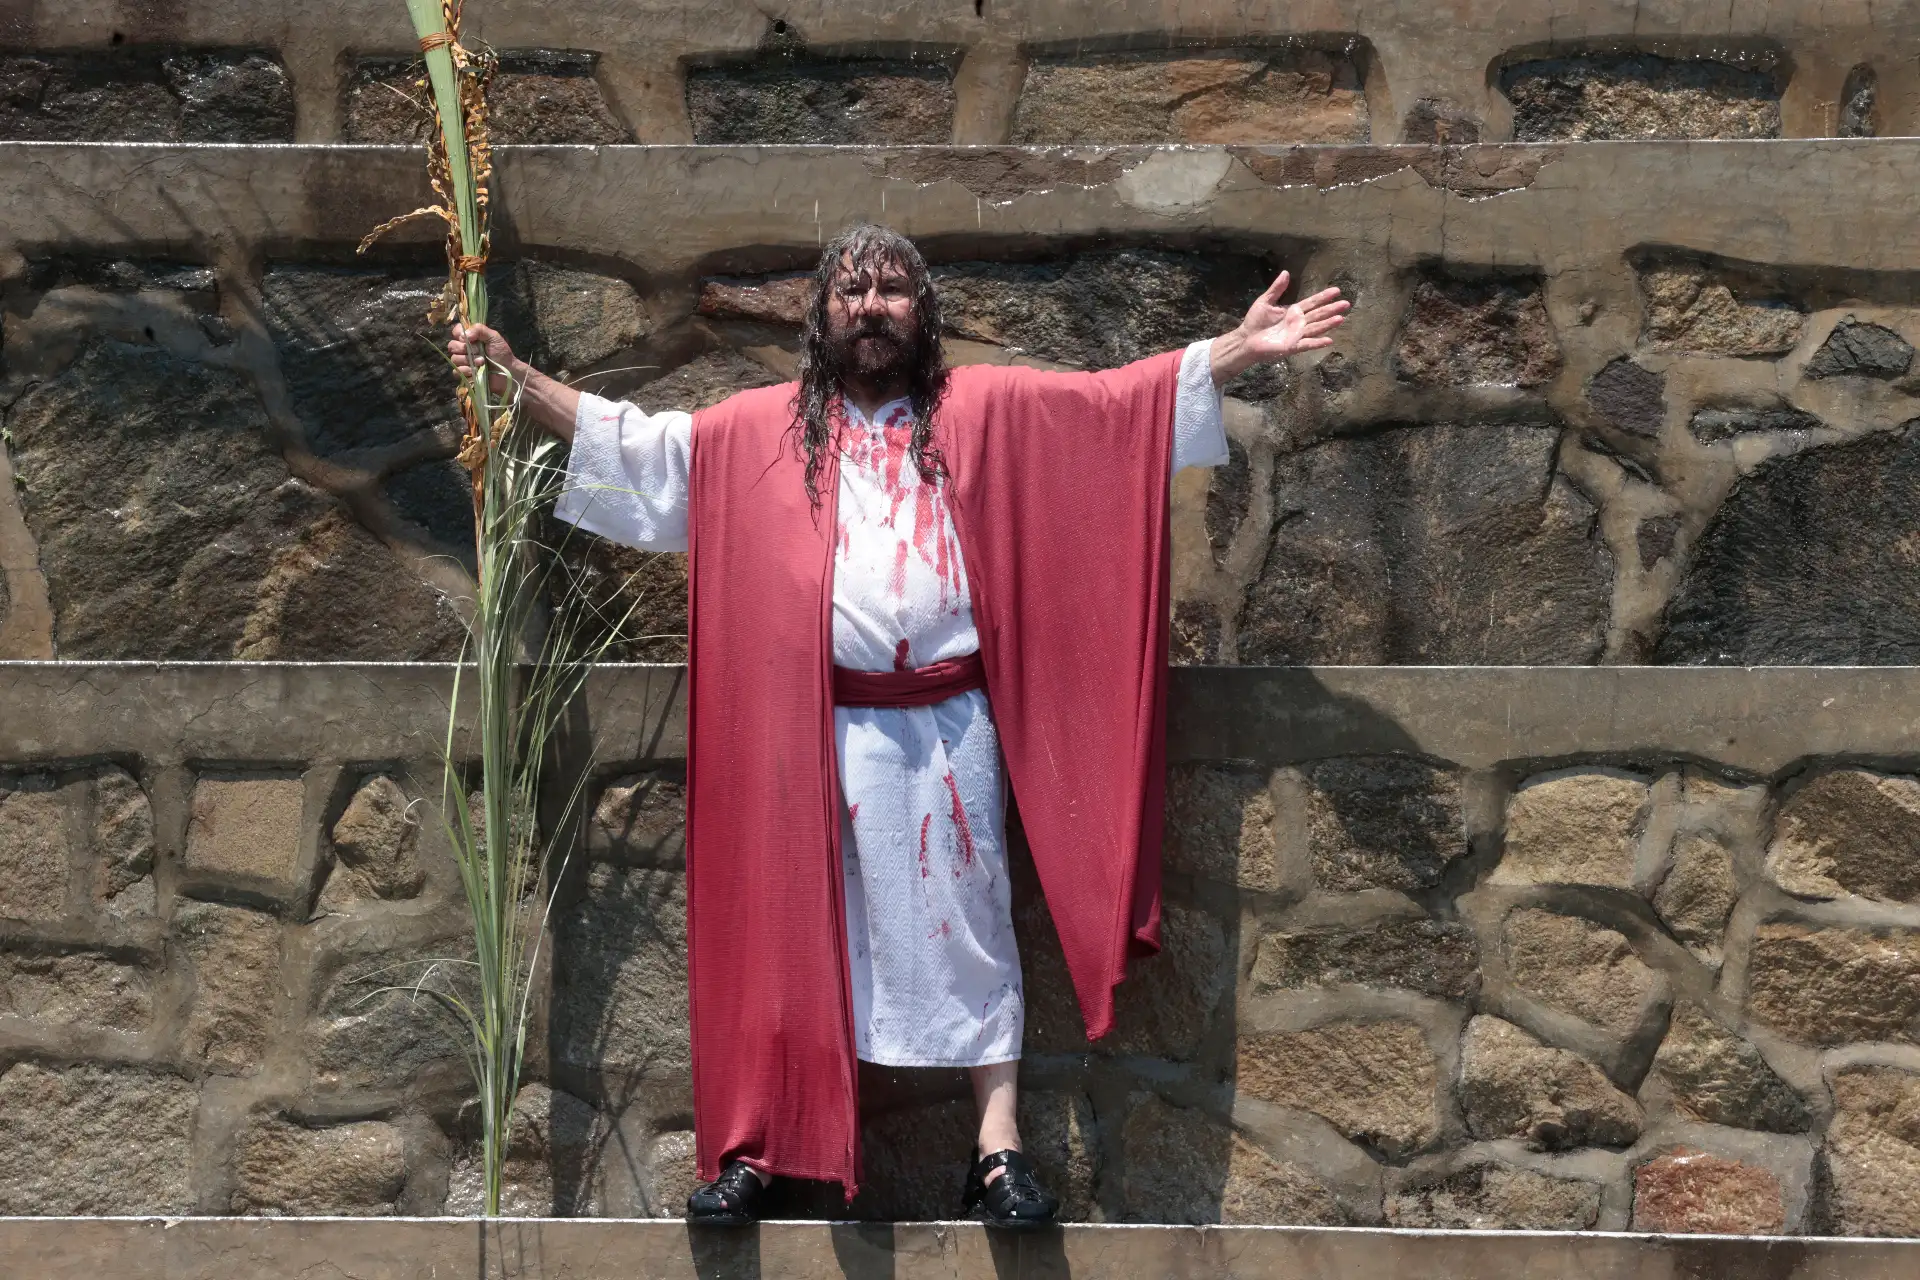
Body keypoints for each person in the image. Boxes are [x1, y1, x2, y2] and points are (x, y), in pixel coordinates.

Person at [450, 225, 1347, 1228]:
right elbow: (643, 446)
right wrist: (517, 377)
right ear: (820, 315)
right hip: (805, 732)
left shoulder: (989, 409)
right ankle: (758, 1149)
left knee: (971, 926)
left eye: (890, 289)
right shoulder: (761, 432)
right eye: (850, 290)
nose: (869, 307)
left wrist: (1238, 349)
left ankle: (997, 1150)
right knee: (785, 934)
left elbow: (1114, 410)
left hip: (949, 727)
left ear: (924, 311)